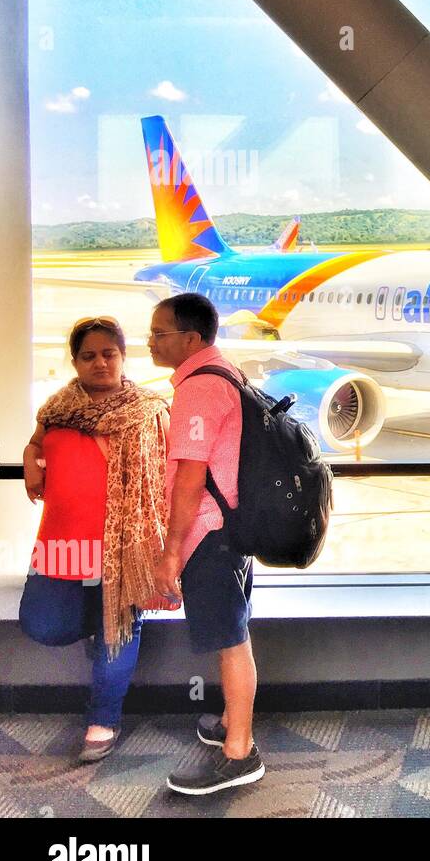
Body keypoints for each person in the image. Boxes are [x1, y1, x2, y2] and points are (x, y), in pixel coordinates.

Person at [19, 315, 169, 762]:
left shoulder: (150, 410)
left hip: (124, 547)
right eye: (89, 355)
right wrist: (30, 456)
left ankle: (103, 720)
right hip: (64, 540)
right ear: (75, 361)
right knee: (42, 622)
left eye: (109, 353)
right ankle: (99, 625)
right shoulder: (56, 409)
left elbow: (166, 476)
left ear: (123, 357)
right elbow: (37, 441)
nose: (100, 362)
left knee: (118, 632)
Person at [148, 292, 264, 795]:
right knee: (231, 634)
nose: (150, 341)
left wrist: (171, 550)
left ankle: (239, 754)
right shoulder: (226, 372)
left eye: (159, 333)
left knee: (231, 642)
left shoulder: (199, 388)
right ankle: (228, 724)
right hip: (230, 530)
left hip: (209, 534)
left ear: (190, 339)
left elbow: (192, 475)